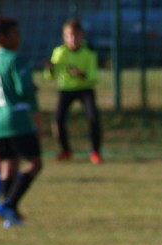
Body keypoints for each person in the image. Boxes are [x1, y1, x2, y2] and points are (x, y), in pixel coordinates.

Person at [0, 15, 43, 228]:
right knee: (35, 163)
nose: (19, 38)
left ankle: (9, 214)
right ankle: (8, 204)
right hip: (16, 119)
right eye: (15, 34)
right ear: (2, 37)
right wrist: (37, 122)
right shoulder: (14, 60)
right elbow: (25, 91)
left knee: (8, 165)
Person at [45, 18, 102, 164]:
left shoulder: (89, 52)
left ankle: (95, 152)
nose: (73, 39)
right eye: (69, 35)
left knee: (93, 118)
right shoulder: (59, 52)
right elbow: (51, 76)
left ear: (82, 35)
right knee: (57, 120)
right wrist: (50, 69)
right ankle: (66, 151)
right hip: (66, 89)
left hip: (85, 89)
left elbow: (93, 77)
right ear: (64, 36)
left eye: (75, 35)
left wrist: (81, 74)